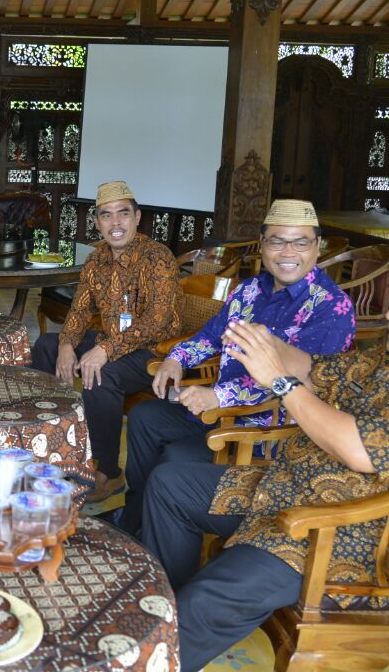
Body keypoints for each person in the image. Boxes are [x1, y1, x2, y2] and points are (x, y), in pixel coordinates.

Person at [140, 254, 389, 672]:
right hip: (289, 490)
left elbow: (357, 450)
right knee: (170, 482)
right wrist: (265, 344)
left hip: (346, 536)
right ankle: (175, 622)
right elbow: (315, 370)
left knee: (209, 597)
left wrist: (279, 380)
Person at [117, 200, 355, 535]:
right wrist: (176, 359)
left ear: (317, 247)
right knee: (145, 418)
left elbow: (302, 380)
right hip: (219, 411)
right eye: (277, 241)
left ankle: (157, 534)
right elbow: (211, 336)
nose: (289, 252)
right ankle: (133, 522)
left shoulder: (332, 307)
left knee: (172, 461)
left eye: (301, 242)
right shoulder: (249, 290)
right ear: (262, 245)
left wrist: (217, 396)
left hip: (266, 430)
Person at [29, 180, 182, 498]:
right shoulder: (96, 260)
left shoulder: (158, 258)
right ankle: (50, 447)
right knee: (46, 345)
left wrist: (104, 349)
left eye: (123, 214)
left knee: (101, 372)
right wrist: (68, 343)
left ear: (137, 217)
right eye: (107, 215)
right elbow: (80, 309)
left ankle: (108, 472)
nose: (116, 223)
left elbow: (157, 323)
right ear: (97, 222)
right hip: (111, 343)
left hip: (152, 353)